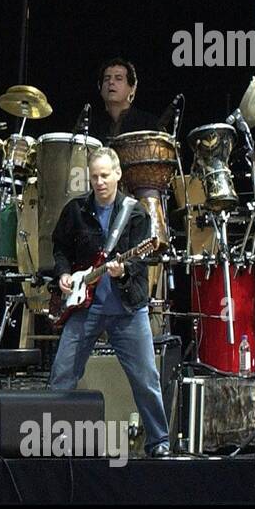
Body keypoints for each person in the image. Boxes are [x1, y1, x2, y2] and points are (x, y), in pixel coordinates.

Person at [50, 148, 170, 456]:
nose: (100, 182)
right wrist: (64, 274)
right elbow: (60, 248)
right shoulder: (75, 210)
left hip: (127, 308)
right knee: (62, 375)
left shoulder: (136, 213)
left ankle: (159, 442)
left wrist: (121, 272)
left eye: (105, 175)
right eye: (94, 177)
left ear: (118, 174)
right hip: (84, 306)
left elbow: (141, 264)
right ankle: (49, 439)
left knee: (145, 379)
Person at [97, 57, 159, 146]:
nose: (111, 82)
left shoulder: (148, 124)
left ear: (132, 89)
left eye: (118, 78)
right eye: (106, 79)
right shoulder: (91, 125)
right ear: (100, 88)